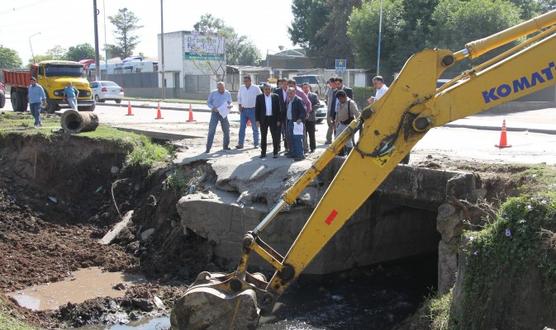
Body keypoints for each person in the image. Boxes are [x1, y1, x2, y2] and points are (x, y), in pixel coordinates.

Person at [255, 83, 281, 158]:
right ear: (263, 90)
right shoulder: (259, 97)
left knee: (274, 136)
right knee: (263, 137)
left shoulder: (275, 97)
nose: (267, 91)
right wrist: (257, 120)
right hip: (263, 119)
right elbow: (257, 110)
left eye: (269, 89)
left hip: (273, 119)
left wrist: (279, 120)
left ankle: (275, 152)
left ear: (271, 89)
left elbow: (279, 109)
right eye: (266, 89)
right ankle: (263, 153)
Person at [206, 82, 233, 153]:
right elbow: (208, 102)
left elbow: (230, 102)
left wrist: (230, 105)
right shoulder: (213, 93)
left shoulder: (227, 93)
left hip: (223, 113)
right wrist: (212, 108)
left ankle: (226, 146)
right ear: (217, 88)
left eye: (223, 88)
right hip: (215, 113)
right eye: (220, 88)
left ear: (224, 87)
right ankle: (208, 148)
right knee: (212, 130)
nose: (221, 90)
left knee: (226, 130)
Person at [236, 76, 262, 149]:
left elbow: (260, 98)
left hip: (253, 110)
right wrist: (239, 105)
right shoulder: (241, 88)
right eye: (244, 81)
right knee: (242, 127)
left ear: (250, 81)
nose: (245, 82)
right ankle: (240, 144)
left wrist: (259, 108)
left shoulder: (256, 88)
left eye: (247, 81)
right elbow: (239, 97)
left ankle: (256, 143)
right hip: (243, 110)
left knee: (255, 127)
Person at [334, 90, 360, 156]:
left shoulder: (351, 103)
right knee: (337, 140)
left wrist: (357, 125)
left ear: (345, 97)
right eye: (338, 98)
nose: (339, 100)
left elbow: (357, 114)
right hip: (340, 124)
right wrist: (335, 124)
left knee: (348, 142)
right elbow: (337, 114)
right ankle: (340, 154)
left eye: (340, 98)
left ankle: (350, 155)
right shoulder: (339, 103)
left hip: (348, 125)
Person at [284, 87, 306, 161]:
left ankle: (300, 155)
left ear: (294, 92)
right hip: (290, 121)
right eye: (288, 93)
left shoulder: (298, 100)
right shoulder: (289, 100)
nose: (289, 94)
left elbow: (303, 111)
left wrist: (300, 118)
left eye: (291, 93)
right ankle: (293, 153)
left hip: (297, 122)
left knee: (297, 139)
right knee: (291, 138)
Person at [302, 83, 318, 153]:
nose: (305, 89)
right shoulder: (300, 95)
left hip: (311, 118)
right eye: (304, 88)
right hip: (303, 118)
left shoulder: (314, 95)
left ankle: (313, 148)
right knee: (303, 135)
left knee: (311, 134)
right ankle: (305, 148)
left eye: (306, 87)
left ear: (309, 88)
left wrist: (311, 108)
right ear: (302, 88)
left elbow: (318, 104)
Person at [274, 78, 289, 152]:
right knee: (278, 131)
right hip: (279, 114)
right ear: (281, 84)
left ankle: (287, 146)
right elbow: (274, 104)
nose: (285, 85)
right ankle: (277, 147)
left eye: (286, 84)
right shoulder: (277, 91)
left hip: (288, 114)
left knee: (287, 131)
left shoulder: (291, 91)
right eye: (283, 84)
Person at [325, 77, 337, 144]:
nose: (329, 84)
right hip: (329, 109)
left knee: (334, 125)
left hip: (335, 110)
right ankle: (329, 139)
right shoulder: (329, 89)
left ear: (333, 83)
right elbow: (326, 96)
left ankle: (330, 139)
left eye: (330, 82)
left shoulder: (337, 90)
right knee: (330, 124)